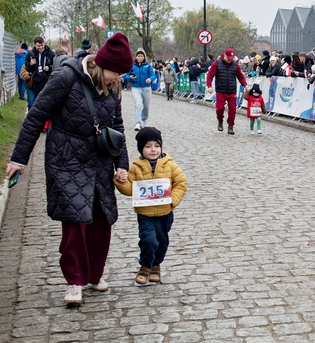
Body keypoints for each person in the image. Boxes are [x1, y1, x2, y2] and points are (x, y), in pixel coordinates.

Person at [4, 33, 134, 305]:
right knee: (75, 222)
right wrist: (19, 159)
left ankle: (95, 274)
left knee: (102, 220)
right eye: (116, 72)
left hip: (99, 161)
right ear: (101, 64)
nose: (118, 79)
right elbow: (36, 116)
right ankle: (74, 281)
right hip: (66, 159)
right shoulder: (65, 78)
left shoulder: (113, 89)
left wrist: (122, 165)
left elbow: (118, 129)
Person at [114, 127, 187, 286]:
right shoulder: (135, 167)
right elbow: (129, 189)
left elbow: (181, 183)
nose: (153, 150)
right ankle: (145, 265)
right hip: (145, 214)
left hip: (165, 213)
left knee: (162, 242)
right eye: (148, 146)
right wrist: (121, 181)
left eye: (156, 145)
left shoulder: (170, 165)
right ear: (141, 149)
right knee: (148, 240)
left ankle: (156, 265)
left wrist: (172, 200)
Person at [207, 48, 247, 135]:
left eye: (231, 58)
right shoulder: (216, 63)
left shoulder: (235, 65)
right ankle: (220, 120)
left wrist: (245, 85)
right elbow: (210, 75)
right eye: (228, 57)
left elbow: (240, 76)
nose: (230, 60)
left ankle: (230, 126)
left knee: (233, 109)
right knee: (220, 108)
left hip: (232, 91)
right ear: (224, 55)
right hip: (221, 90)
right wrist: (209, 86)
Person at [124, 49, 155, 131]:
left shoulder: (148, 65)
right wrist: (130, 77)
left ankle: (144, 119)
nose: (140, 58)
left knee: (146, 106)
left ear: (144, 57)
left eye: (141, 56)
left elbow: (153, 75)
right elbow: (125, 75)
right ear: (136, 57)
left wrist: (150, 79)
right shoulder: (132, 65)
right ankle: (138, 123)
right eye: (138, 56)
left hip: (146, 88)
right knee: (138, 105)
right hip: (135, 87)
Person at [25, 36, 55, 109]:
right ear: (35, 45)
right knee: (32, 104)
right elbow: (28, 69)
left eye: (42, 45)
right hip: (35, 82)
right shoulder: (31, 54)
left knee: (45, 104)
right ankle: (32, 119)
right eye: (38, 46)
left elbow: (55, 67)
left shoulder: (50, 54)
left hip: (46, 82)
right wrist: (31, 64)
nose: (40, 47)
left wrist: (49, 68)